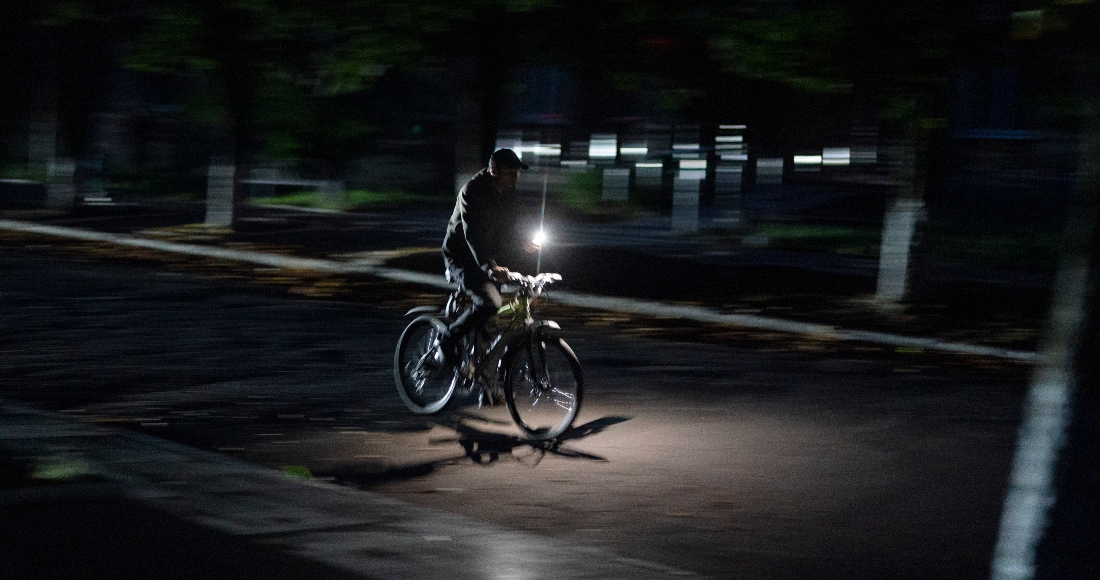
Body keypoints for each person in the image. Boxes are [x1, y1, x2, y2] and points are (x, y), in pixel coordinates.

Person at [433, 148, 534, 369]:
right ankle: (446, 340)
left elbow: (509, 227)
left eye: (517, 173)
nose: (515, 178)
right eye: (510, 173)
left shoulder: (507, 193)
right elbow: (474, 234)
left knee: (490, 321)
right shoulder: (472, 191)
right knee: (490, 303)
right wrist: (490, 267)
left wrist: (524, 241)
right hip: (461, 257)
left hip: (487, 258)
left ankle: (483, 375)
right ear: (494, 170)